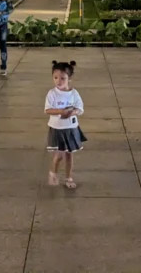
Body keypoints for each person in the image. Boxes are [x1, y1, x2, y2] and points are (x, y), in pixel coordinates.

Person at [45, 60, 86, 189]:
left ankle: (69, 177)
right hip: (57, 128)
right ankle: (53, 172)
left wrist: (73, 112)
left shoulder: (74, 93)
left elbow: (80, 108)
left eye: (63, 78)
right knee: (59, 154)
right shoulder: (52, 93)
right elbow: (47, 110)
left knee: (69, 155)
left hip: (71, 128)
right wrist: (61, 112)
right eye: (56, 78)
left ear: (69, 78)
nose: (59, 81)